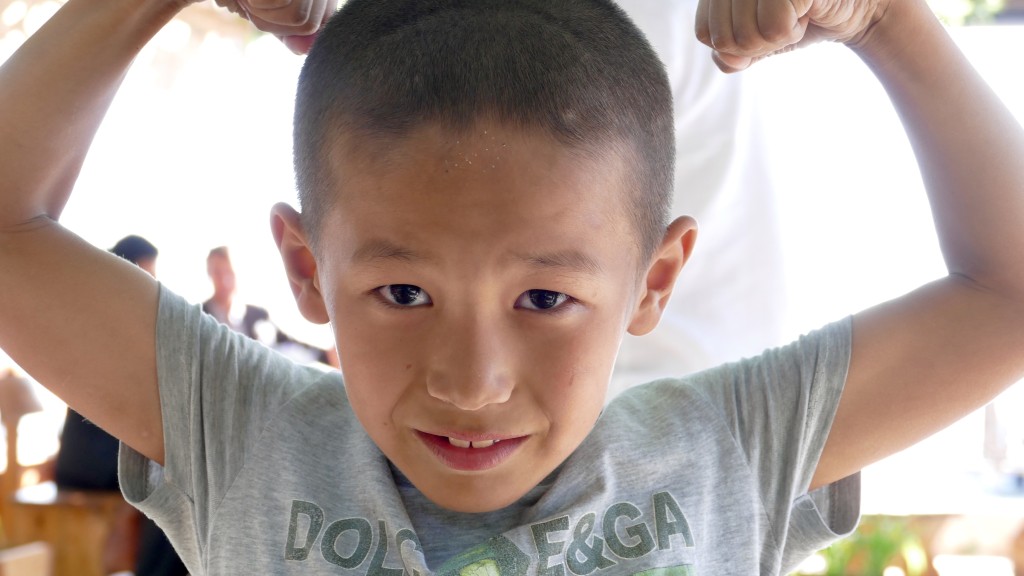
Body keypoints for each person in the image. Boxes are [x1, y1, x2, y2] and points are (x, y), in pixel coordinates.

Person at [2, 1, 1023, 576]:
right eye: (403, 293)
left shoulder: (726, 450)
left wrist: (886, 19)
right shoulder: (246, 435)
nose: (472, 380)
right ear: (307, 269)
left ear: (652, 281)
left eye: (543, 300)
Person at [202, 245, 339, 367]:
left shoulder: (258, 315)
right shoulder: (201, 317)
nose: (224, 280)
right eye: (218, 273)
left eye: (229, 272)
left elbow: (289, 345)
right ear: (209, 274)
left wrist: (326, 356)